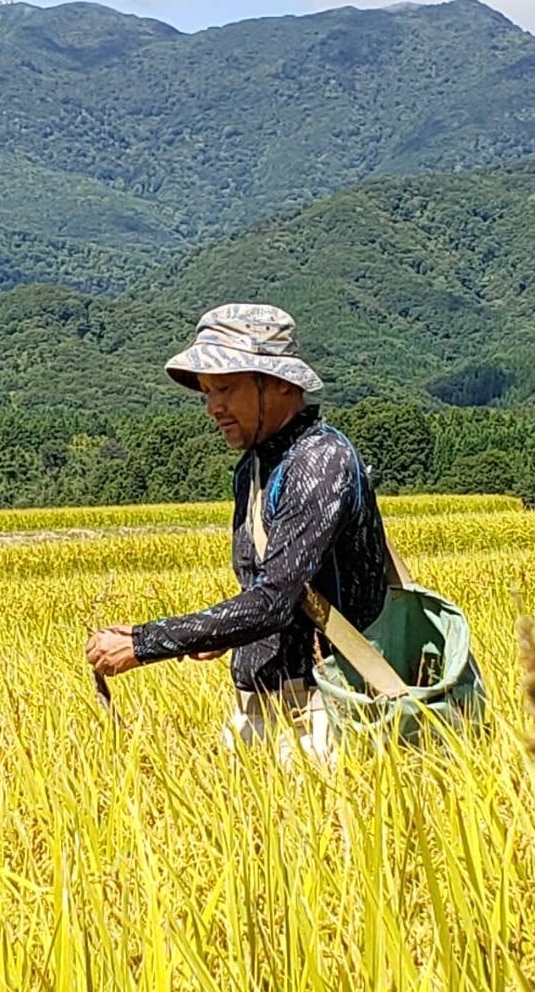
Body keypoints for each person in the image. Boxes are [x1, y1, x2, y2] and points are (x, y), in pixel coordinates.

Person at [84, 303, 390, 757]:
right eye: (207, 392)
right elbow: (268, 596)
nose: (213, 408)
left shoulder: (321, 462)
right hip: (261, 709)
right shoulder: (254, 467)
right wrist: (220, 634)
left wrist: (146, 642)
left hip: (326, 711)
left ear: (280, 384)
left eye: (224, 388)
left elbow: (272, 602)